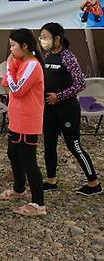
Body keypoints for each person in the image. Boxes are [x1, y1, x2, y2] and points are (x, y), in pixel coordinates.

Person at [39, 22, 101, 195]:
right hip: (49, 109)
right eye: (42, 37)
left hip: (67, 109)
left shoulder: (68, 57)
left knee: (74, 145)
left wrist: (58, 96)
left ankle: (93, 182)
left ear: (57, 38)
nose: (43, 40)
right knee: (49, 144)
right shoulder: (48, 55)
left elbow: (80, 84)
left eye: (46, 37)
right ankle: (51, 180)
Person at [0, 28, 47, 216]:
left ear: (24, 46)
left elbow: (16, 89)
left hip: (28, 120)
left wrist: (10, 68)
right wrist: (12, 70)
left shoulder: (32, 65)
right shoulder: (20, 62)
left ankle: (38, 203)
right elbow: (5, 83)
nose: (10, 50)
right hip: (16, 119)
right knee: (13, 154)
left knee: (28, 160)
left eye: (12, 46)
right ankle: (19, 188)